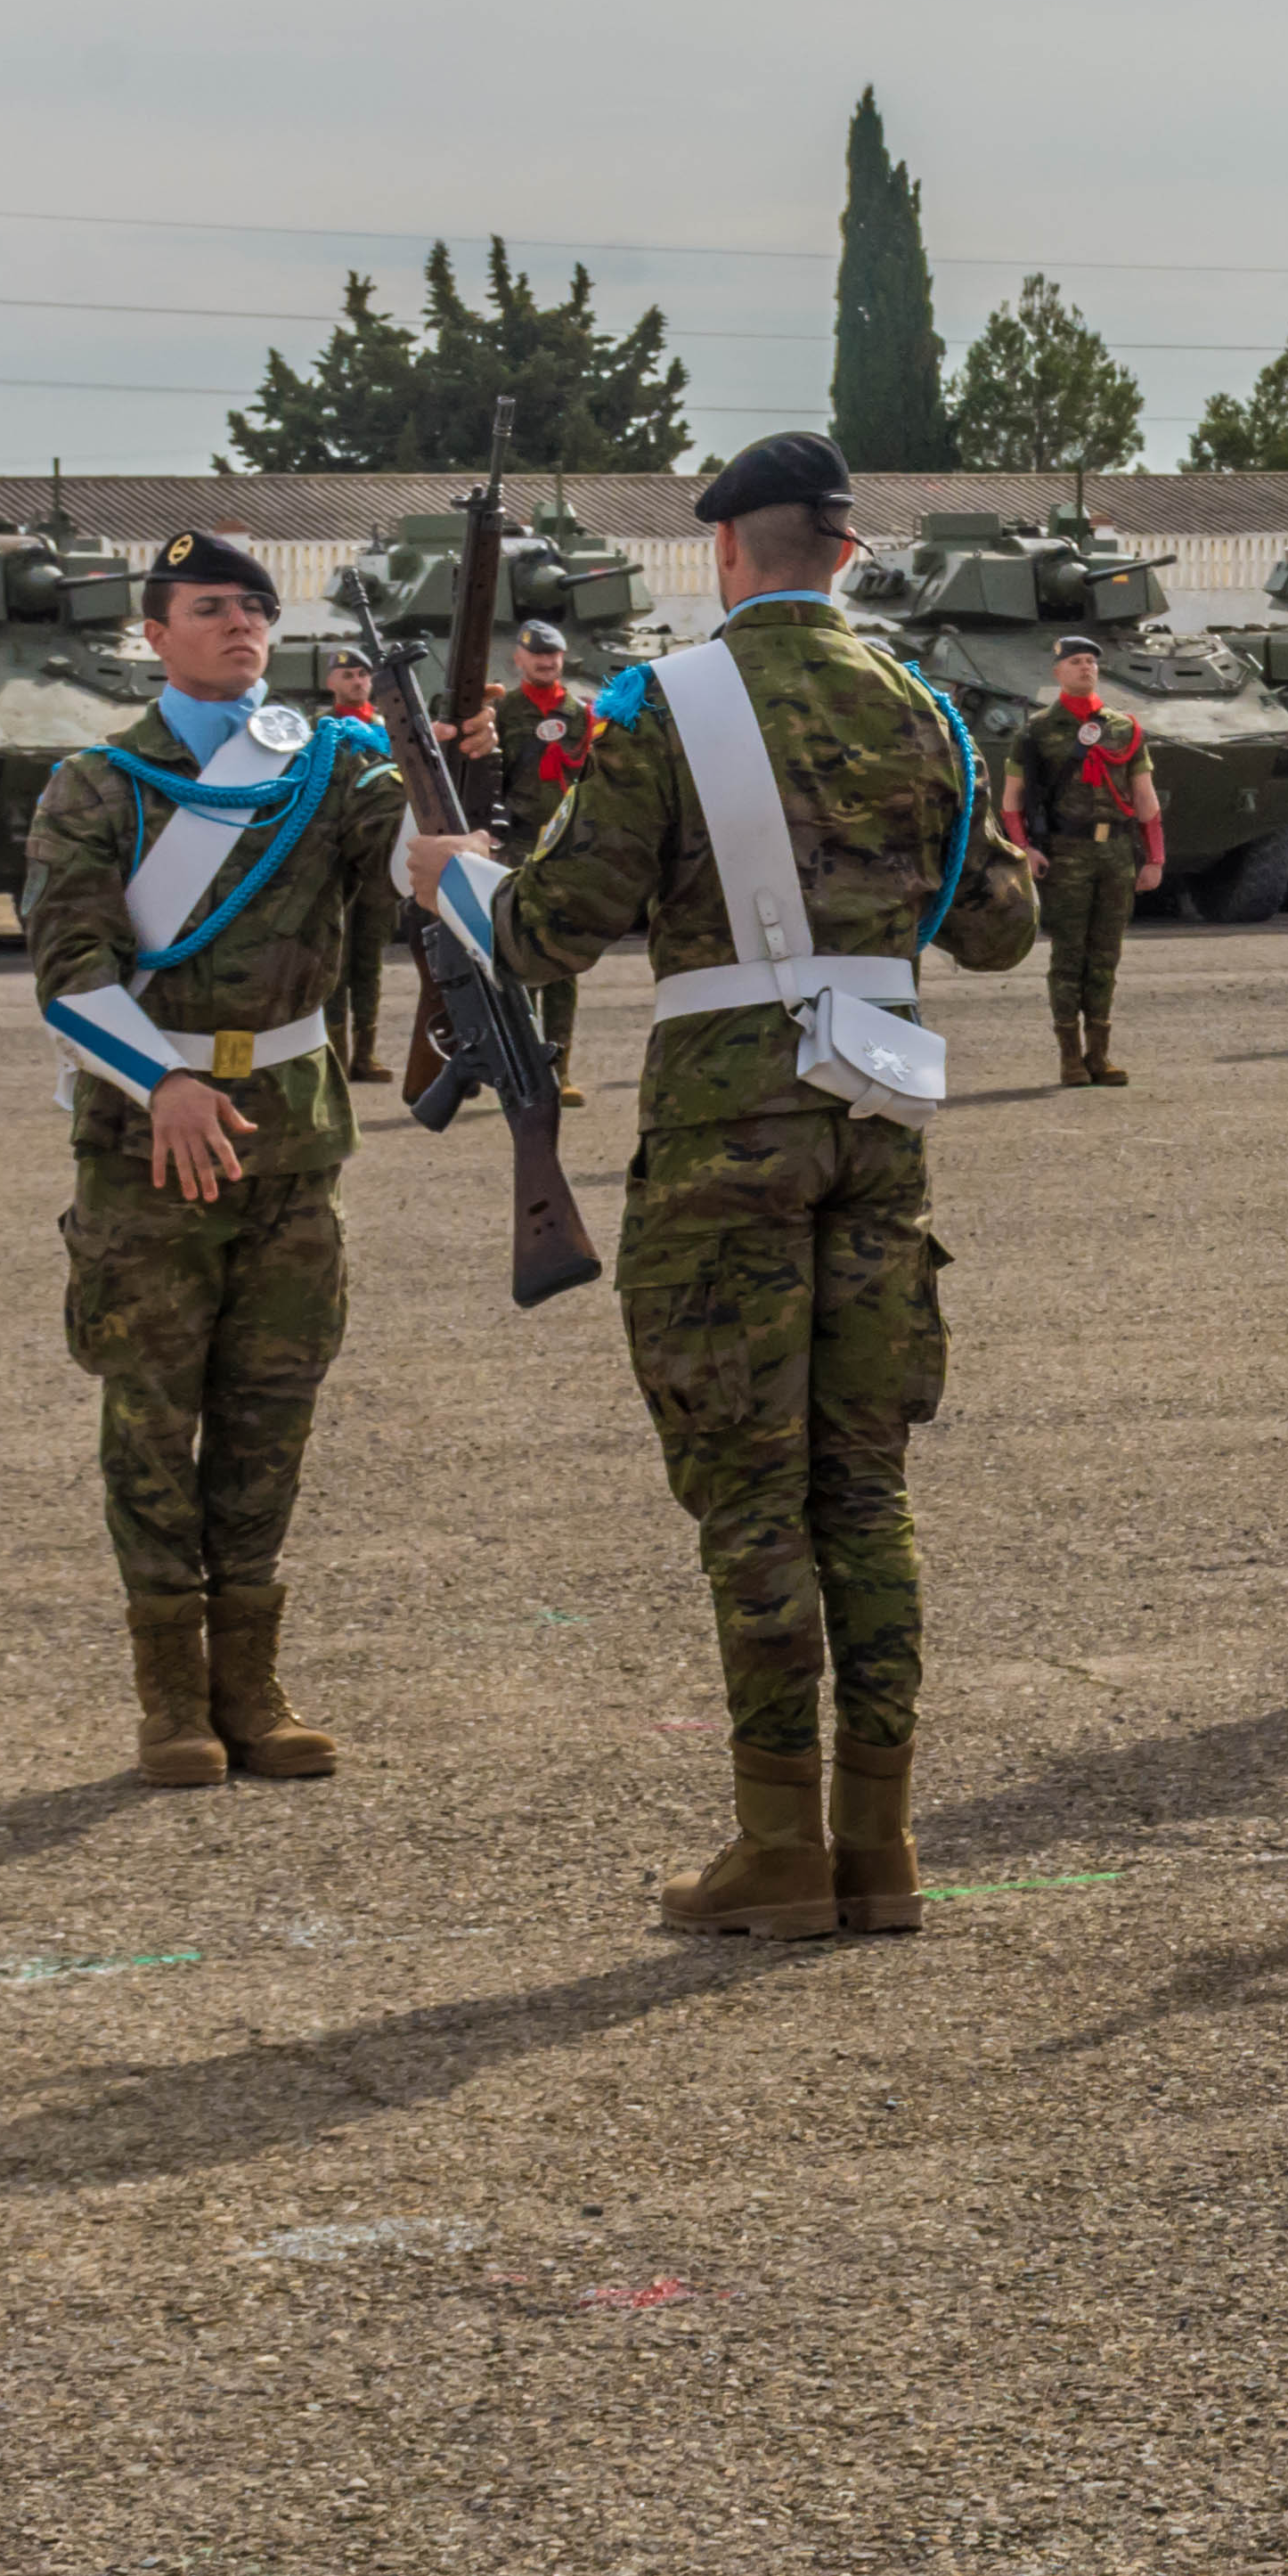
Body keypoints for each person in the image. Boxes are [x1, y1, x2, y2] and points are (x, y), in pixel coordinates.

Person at [406, 435, 1041, 1939]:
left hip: (723, 1135)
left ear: (726, 556)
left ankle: (778, 1848)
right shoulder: (931, 716)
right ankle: (879, 1848)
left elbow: (553, 930)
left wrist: (450, 869)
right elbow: (1005, 927)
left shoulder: (667, 710)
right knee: (864, 1488)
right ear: (843, 553)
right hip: (879, 1123)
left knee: (751, 1490)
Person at [21, 533, 404, 1787]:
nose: (241, 625)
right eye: (210, 607)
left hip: (290, 1134)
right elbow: (68, 973)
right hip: (148, 1144)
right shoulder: (100, 783)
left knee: (269, 1417)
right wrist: (164, 1081)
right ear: (155, 632)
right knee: (151, 1416)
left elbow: (407, 880)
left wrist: (454, 800)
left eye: (255, 608)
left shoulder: (331, 767)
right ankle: (171, 1703)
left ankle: (254, 1688)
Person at [1004, 632, 1165, 1088]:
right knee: (1068, 954)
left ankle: (1100, 1055)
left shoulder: (1125, 729)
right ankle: (1070, 1058)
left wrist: (1154, 857)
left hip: (1115, 854)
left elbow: (1145, 798)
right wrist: (1025, 849)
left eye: (1091, 661)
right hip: (1065, 854)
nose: (1085, 667)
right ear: (1057, 671)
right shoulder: (1035, 731)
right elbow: (1012, 800)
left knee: (1106, 956)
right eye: (1075, 661)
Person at [492, 617, 597, 1105]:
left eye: (553, 655)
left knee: (563, 960)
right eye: (537, 654)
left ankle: (560, 1070)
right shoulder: (501, 713)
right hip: (514, 846)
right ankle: (521, 1067)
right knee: (515, 958)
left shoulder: (580, 714)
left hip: (562, 846)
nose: (546, 661)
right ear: (519, 658)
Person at [316, 649, 404, 1084]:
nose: (357, 681)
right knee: (334, 961)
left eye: (363, 674)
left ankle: (365, 1054)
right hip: (334, 860)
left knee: (368, 961)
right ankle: (334, 1052)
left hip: (376, 864)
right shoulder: (322, 731)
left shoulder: (388, 730)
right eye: (347, 674)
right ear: (330, 682)